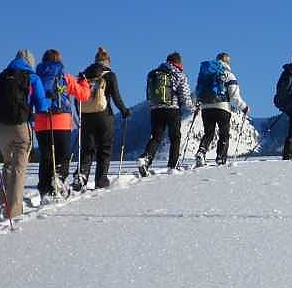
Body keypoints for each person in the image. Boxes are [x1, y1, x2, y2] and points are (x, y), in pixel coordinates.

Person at [0, 49, 51, 217]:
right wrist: (48, 100)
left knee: (8, 164)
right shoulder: (32, 78)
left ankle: (2, 203)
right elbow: (42, 106)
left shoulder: (2, 77)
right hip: (22, 127)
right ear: (30, 62)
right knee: (19, 168)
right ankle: (13, 211)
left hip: (1, 128)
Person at [34, 49, 90, 199]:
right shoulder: (64, 76)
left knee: (46, 158)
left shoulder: (36, 77)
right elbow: (84, 95)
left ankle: (45, 191)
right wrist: (84, 82)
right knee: (63, 156)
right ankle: (58, 178)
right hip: (61, 121)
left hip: (41, 122)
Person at [73, 47, 131, 190]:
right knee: (104, 149)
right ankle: (101, 180)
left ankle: (81, 176)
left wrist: (79, 113)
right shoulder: (109, 75)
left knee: (87, 149)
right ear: (107, 62)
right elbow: (116, 97)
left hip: (86, 115)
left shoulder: (84, 75)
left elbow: (77, 97)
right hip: (104, 116)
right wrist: (124, 111)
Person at [137, 51, 193, 176]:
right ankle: (172, 166)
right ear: (178, 62)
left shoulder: (154, 73)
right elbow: (184, 96)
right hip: (172, 109)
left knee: (156, 137)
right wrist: (192, 108)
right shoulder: (179, 74)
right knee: (175, 137)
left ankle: (145, 158)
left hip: (155, 109)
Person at [194, 52, 249, 167]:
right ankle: (220, 158)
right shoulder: (228, 74)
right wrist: (244, 107)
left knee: (208, 132)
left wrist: (198, 103)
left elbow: (197, 91)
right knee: (224, 134)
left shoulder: (206, 74)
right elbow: (234, 96)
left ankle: (201, 151)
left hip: (206, 107)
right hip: (222, 107)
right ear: (227, 62)